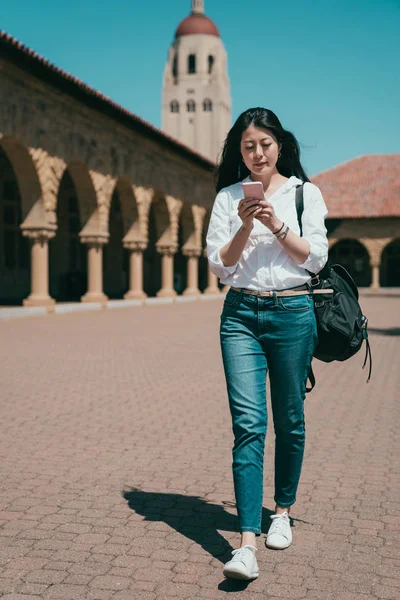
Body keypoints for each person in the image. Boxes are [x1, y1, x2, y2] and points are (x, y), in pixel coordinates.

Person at [206, 107, 329, 581]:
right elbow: (222, 266)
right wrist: (243, 223)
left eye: (264, 144)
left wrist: (276, 224)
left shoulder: (305, 193)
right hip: (240, 314)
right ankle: (246, 543)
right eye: (247, 146)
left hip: (293, 313)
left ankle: (282, 510)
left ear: (280, 145)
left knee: (291, 419)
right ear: (240, 152)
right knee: (249, 424)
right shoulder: (226, 198)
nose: (257, 153)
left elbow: (314, 259)